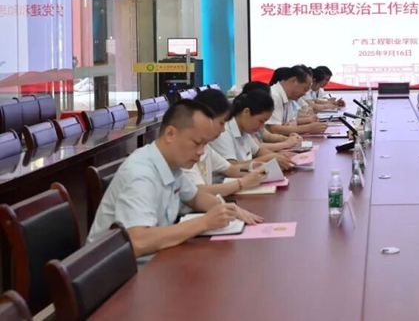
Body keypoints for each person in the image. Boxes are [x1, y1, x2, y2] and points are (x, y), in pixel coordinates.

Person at [87, 100, 263, 258]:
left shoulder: (171, 164)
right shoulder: (141, 174)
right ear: (170, 134)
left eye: (205, 145)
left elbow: (195, 197)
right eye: (197, 143)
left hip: (156, 259)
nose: (201, 152)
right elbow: (137, 241)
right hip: (118, 274)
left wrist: (225, 209)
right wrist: (204, 222)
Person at [182, 89, 269, 201]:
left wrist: (253, 167)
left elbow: (230, 169)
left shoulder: (206, 147)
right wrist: (241, 183)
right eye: (221, 123)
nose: (223, 129)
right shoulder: (184, 150)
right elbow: (199, 192)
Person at [208, 90, 295, 171]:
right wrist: (269, 158)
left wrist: (278, 156)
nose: (261, 127)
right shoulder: (223, 132)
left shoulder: (244, 129)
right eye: (261, 121)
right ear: (246, 112)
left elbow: (258, 151)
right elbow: (231, 167)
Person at [266, 65, 327, 136]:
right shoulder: (274, 96)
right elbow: (274, 129)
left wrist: (288, 127)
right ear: (294, 81)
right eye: (305, 89)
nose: (304, 94)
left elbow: (293, 121)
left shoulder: (288, 96)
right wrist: (308, 128)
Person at [242, 81, 304, 147]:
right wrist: (286, 143)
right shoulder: (247, 123)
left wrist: (287, 139)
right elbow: (258, 147)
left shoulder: (255, 117)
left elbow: (268, 136)